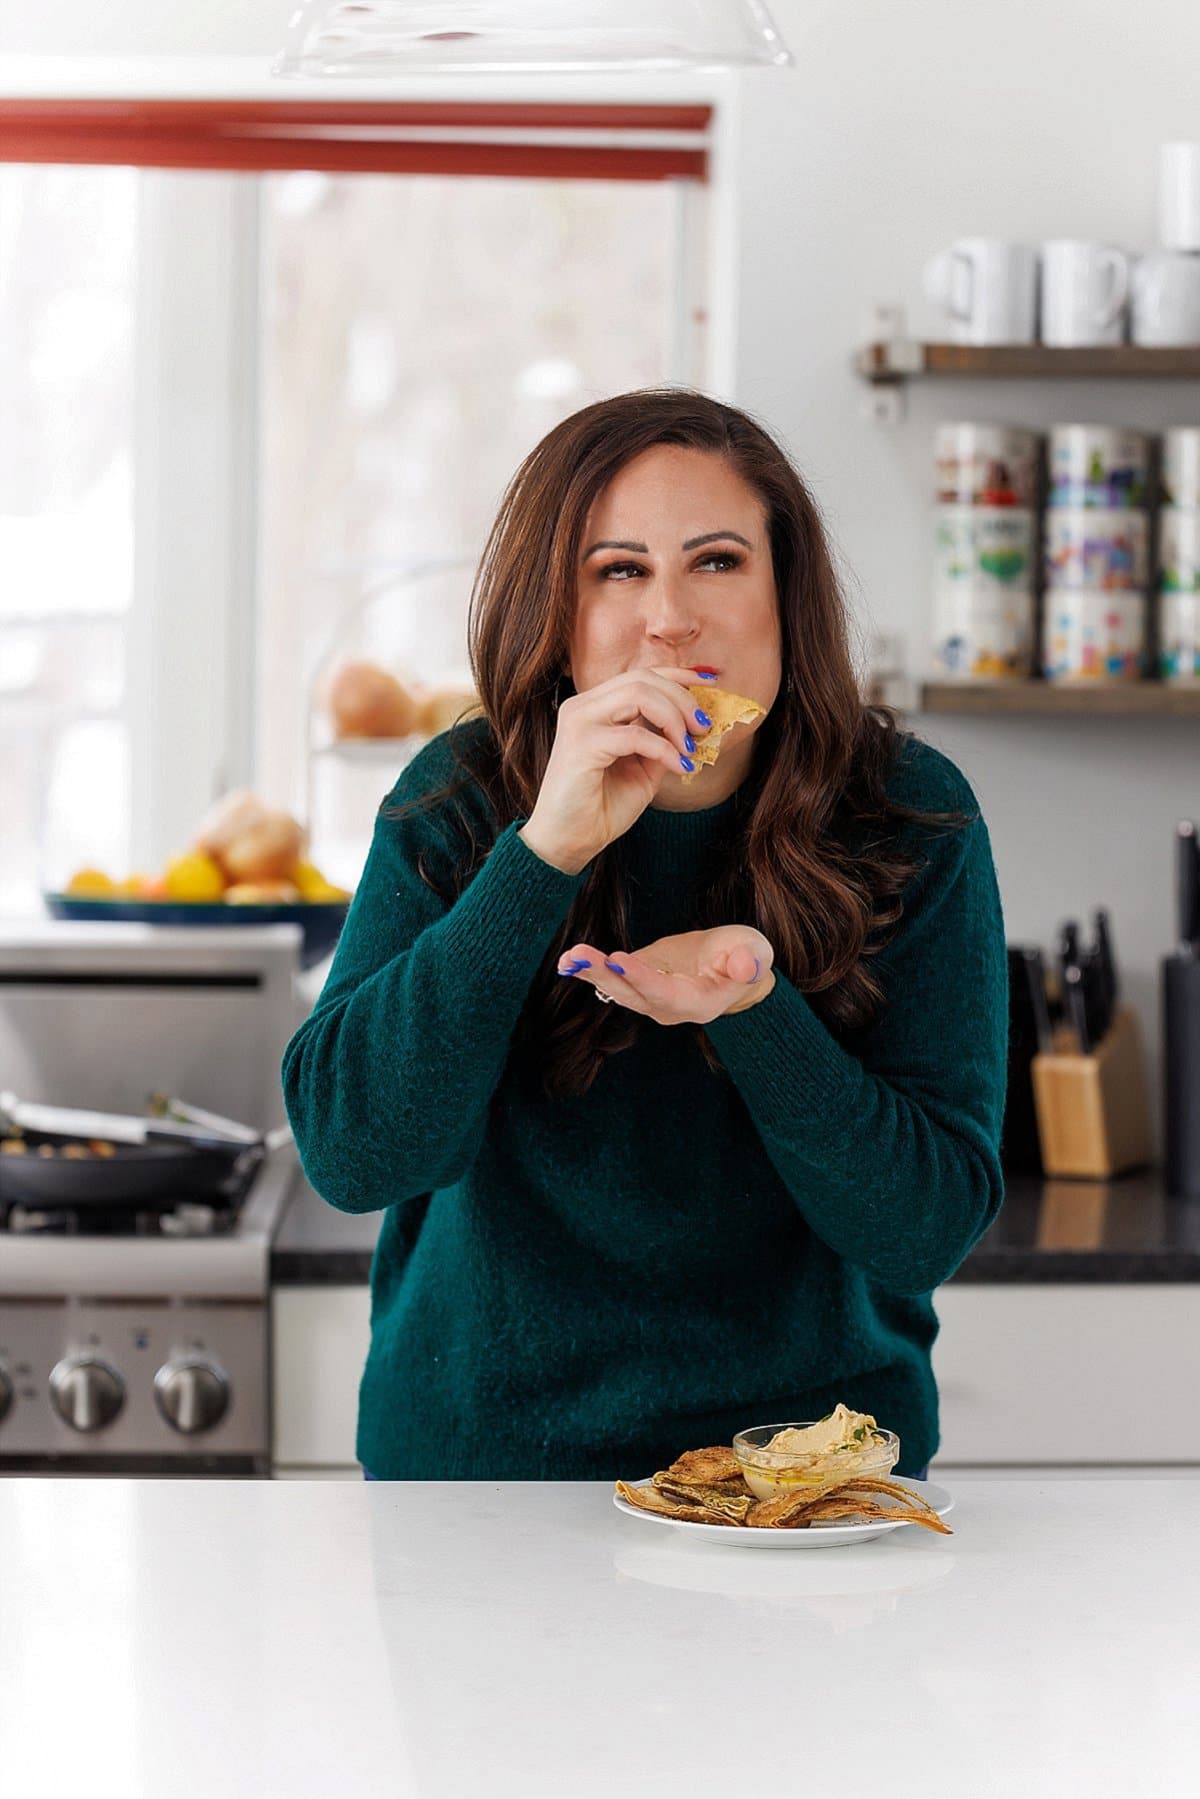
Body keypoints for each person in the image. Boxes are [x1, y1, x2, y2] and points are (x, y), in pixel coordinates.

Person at [282, 387, 1008, 1484]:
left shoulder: (909, 814)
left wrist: (760, 1014)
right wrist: (541, 857)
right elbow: (353, 1152)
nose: (669, 617)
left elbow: (923, 1230)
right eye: (617, 569)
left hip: (801, 1486)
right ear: (560, 617)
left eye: (717, 561)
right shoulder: (459, 800)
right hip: (482, 1488)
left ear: (784, 592)